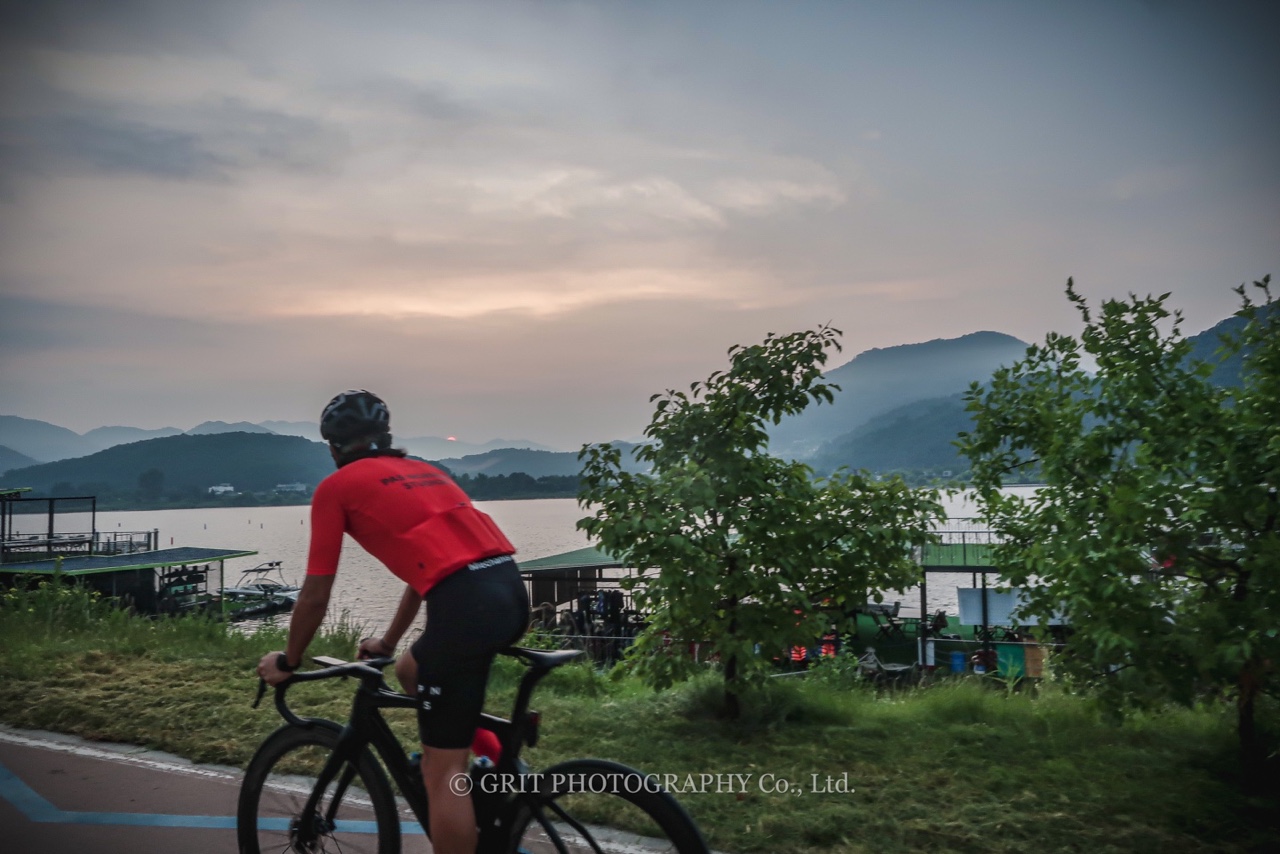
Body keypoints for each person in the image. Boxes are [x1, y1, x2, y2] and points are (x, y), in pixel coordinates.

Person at [257, 390, 530, 854]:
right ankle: (496, 762)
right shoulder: (426, 472)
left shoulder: (336, 488)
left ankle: (469, 779)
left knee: (442, 773)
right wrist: (388, 642)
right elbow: (430, 570)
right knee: (409, 669)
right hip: (509, 590)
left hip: (466, 607)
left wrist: (288, 660)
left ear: (332, 448)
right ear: (385, 438)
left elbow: (315, 595)